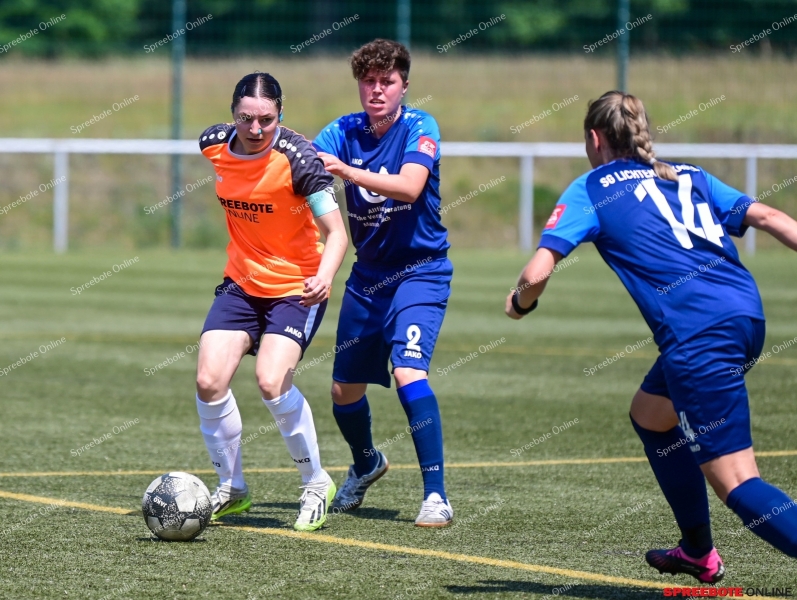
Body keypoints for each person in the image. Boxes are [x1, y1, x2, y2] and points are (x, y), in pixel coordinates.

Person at [505, 91, 797, 581]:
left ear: (594, 139)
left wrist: (519, 304)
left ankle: (706, 547)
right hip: (747, 318)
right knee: (651, 415)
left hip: (698, 337)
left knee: (740, 484)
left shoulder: (592, 188)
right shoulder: (689, 175)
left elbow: (536, 273)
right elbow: (769, 218)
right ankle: (697, 552)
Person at [195, 72, 348, 532]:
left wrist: (324, 277)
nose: (256, 128)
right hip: (241, 284)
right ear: (233, 115)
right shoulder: (213, 145)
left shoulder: (300, 161)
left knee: (270, 381)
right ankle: (233, 488)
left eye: (266, 119)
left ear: (280, 114)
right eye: (246, 118)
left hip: (296, 287)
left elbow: (337, 234)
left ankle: (316, 483)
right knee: (208, 380)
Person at [312, 39, 454, 526]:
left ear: (404, 86)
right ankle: (367, 462)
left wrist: (348, 172)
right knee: (342, 391)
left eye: (386, 82)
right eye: (368, 82)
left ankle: (435, 495)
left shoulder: (420, 126)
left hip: (421, 271)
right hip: (368, 276)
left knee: (408, 371)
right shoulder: (343, 130)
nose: (376, 90)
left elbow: (411, 186)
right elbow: (302, 166)